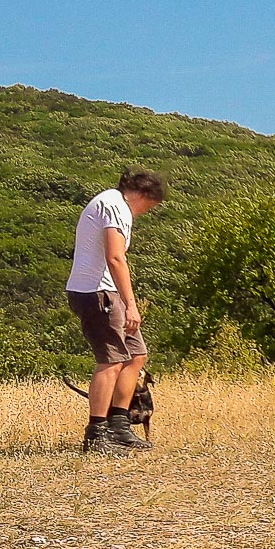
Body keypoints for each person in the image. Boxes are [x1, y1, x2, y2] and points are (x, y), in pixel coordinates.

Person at [67, 169, 166, 453]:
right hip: (97, 293)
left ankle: (119, 426)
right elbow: (115, 256)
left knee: (136, 355)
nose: (146, 212)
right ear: (144, 195)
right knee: (111, 361)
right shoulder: (115, 205)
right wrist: (130, 304)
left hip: (107, 292)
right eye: (150, 206)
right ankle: (97, 433)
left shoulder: (112, 204)